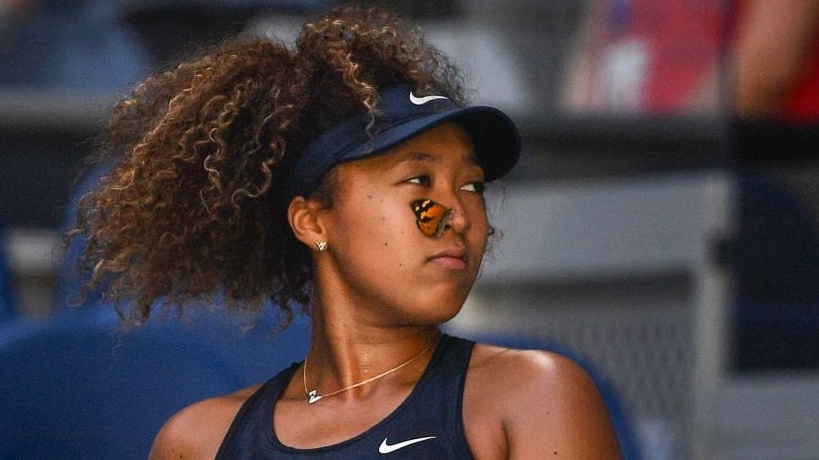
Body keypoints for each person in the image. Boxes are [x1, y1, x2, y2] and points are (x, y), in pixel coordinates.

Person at [69, 6, 621, 459]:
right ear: (313, 221)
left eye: (472, 186)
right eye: (418, 181)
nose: (456, 213)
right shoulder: (199, 443)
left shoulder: (536, 395)